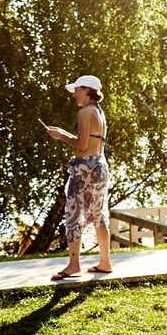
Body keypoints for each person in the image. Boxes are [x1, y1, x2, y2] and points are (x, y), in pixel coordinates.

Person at [45, 75, 113, 280]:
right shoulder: (98, 112)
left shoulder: (84, 112)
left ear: (87, 90)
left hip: (84, 168)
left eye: (76, 90)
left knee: (74, 214)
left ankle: (74, 265)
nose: (74, 94)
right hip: (100, 165)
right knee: (99, 215)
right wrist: (64, 132)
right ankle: (105, 262)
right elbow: (90, 141)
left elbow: (81, 145)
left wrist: (60, 136)